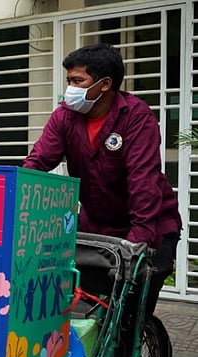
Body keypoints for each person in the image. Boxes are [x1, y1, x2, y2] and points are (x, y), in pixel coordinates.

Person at [22, 43, 181, 317]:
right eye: (68, 80)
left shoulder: (136, 117)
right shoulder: (65, 116)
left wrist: (136, 242)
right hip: (97, 223)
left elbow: (143, 180)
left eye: (77, 81)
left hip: (150, 224)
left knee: (128, 315)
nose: (70, 88)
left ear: (105, 84)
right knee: (84, 305)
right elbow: (37, 163)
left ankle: (129, 352)